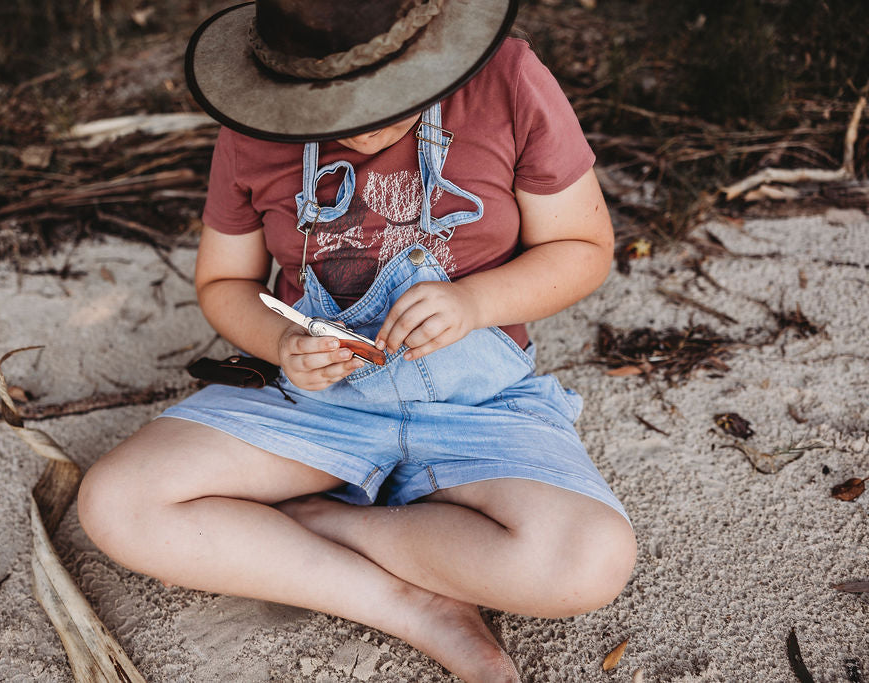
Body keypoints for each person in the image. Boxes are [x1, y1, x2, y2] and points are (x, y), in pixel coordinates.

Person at [77, 1, 636, 680]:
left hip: (478, 404)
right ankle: (411, 606)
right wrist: (283, 343)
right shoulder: (257, 124)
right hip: (322, 406)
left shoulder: (508, 79)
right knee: (116, 502)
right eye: (335, 104)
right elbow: (223, 281)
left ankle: (332, 523)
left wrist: (475, 300)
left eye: (385, 94)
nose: (364, 124)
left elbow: (583, 246)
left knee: (588, 559)